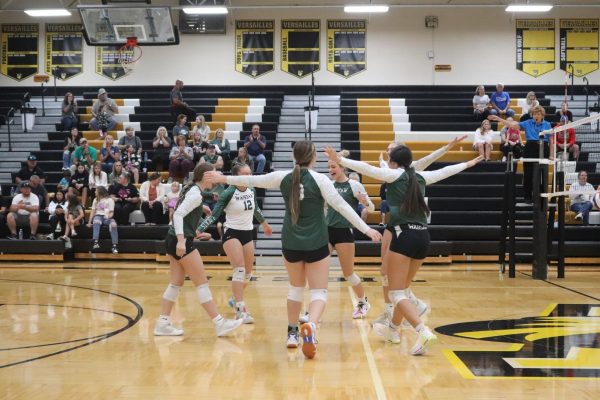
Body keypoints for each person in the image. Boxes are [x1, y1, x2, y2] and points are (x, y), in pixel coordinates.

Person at [204, 141, 382, 359]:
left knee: (295, 289)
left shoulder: (282, 176)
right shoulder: (321, 180)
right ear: (313, 157)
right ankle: (312, 326)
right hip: (317, 241)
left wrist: (222, 178)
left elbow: (252, 180)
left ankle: (291, 333)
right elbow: (343, 207)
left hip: (290, 242)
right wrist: (367, 230)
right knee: (318, 292)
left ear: (294, 156)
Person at [325, 145, 482, 355]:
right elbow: (446, 171)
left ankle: (422, 331)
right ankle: (393, 331)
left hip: (404, 234)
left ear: (393, 162)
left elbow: (367, 169)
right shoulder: (421, 177)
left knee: (396, 291)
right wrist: (468, 163)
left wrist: (342, 161)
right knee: (403, 291)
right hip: (423, 236)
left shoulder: (394, 175)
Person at [373, 137, 467, 330]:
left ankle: (404, 308)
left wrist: (447, 147)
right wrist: (381, 162)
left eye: (392, 150)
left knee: (393, 276)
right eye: (388, 149)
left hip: (405, 223)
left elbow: (430, 161)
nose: (388, 151)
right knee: (384, 271)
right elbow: (383, 168)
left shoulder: (411, 170)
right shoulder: (390, 169)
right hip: (393, 222)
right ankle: (395, 312)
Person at [154, 163, 242, 337]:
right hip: (181, 241)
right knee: (201, 283)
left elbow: (190, 198)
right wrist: (181, 241)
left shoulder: (191, 187)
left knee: (175, 283)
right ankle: (219, 323)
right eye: (213, 175)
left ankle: (162, 323)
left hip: (170, 239)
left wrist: (202, 206)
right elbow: (178, 214)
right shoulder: (195, 194)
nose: (216, 178)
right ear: (205, 176)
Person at [196, 164, 273, 323]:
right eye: (245, 174)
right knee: (239, 269)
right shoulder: (228, 192)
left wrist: (264, 223)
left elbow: (256, 209)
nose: (249, 176)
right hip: (232, 233)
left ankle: (234, 298)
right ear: (236, 176)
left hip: (247, 233)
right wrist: (199, 229)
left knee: (248, 274)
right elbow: (215, 214)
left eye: (250, 173)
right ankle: (240, 309)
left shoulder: (251, 190)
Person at [327, 152, 375, 319]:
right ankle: (312, 308)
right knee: (318, 271)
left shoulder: (354, 185)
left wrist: (365, 202)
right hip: (326, 231)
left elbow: (371, 209)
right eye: (328, 167)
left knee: (348, 273)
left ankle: (363, 302)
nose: (330, 170)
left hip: (344, 232)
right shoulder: (328, 185)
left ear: (342, 168)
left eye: (333, 167)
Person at [489, 105, 551, 204]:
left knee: (542, 175)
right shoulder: (527, 123)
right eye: (534, 114)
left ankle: (541, 198)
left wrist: (551, 154)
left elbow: (551, 141)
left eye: (538, 114)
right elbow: (512, 125)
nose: (536, 115)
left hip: (543, 148)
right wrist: (498, 118)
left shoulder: (547, 124)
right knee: (528, 174)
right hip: (530, 148)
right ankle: (527, 196)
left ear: (542, 115)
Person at [87, 186, 119, 254]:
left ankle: (114, 245)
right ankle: (95, 242)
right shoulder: (95, 200)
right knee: (96, 222)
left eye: (96, 190)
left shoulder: (110, 200)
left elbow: (111, 212)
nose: (95, 192)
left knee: (113, 225)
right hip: (98, 216)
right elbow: (93, 211)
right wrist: (89, 222)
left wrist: (108, 217)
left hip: (107, 216)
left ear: (100, 191)